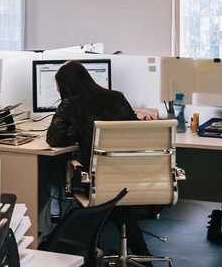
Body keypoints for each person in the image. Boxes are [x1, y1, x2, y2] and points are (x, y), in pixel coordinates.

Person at [45, 61, 151, 257]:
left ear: (65, 86)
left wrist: (74, 131)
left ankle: (92, 254)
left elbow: (54, 139)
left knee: (109, 201)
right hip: (128, 176)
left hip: (96, 180)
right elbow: (136, 129)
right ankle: (143, 255)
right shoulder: (117, 98)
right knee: (121, 209)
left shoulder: (70, 104)